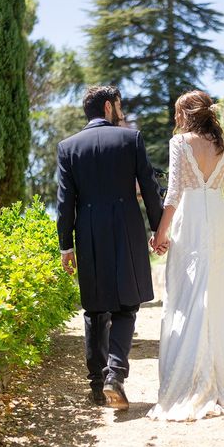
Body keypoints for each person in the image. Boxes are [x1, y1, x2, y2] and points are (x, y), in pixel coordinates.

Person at [56, 85, 165, 410]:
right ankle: (114, 374)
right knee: (126, 306)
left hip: (88, 233)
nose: (120, 111)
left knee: (94, 310)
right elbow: (148, 185)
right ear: (107, 107)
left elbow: (65, 203)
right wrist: (158, 228)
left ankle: (96, 385)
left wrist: (66, 246)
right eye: (117, 106)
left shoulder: (68, 147)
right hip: (126, 230)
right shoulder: (129, 139)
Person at [147, 90, 224, 421]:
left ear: (186, 115)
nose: (175, 120)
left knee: (187, 296)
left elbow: (173, 193)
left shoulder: (180, 144)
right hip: (216, 223)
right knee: (215, 297)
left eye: (177, 113)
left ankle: (191, 377)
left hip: (190, 224)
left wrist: (160, 233)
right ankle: (216, 376)